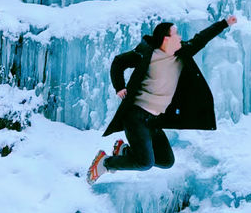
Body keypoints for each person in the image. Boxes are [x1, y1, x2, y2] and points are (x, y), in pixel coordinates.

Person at [87, 15, 237, 183]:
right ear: (166, 39)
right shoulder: (146, 53)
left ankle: (125, 152)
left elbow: (201, 38)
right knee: (144, 163)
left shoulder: (182, 53)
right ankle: (105, 162)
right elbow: (119, 62)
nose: (180, 37)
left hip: (154, 121)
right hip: (136, 116)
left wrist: (224, 23)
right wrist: (119, 87)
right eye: (176, 34)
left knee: (166, 161)